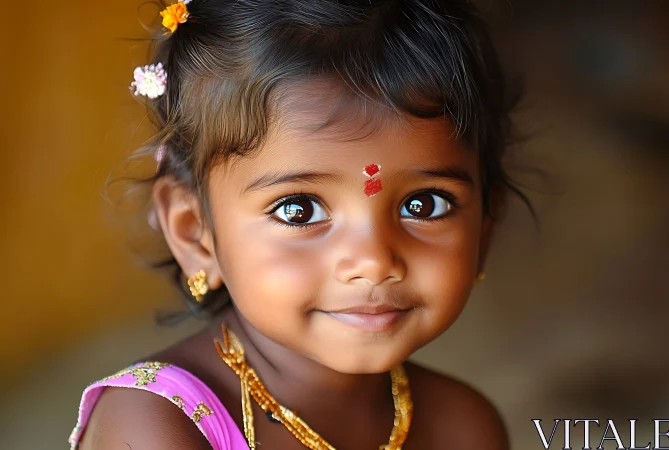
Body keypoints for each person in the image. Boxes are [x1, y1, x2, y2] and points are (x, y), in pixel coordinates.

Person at [69, 0, 532, 448]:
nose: (372, 262)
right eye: (299, 210)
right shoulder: (155, 426)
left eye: (425, 205)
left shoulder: (464, 428)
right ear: (195, 233)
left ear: (486, 225)